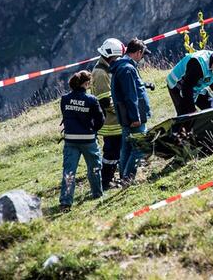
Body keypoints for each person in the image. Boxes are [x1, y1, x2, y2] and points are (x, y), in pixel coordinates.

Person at [59, 70, 105, 209]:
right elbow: (100, 119)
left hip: (70, 140)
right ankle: (97, 194)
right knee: (94, 167)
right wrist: (93, 130)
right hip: (88, 140)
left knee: (69, 171)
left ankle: (66, 202)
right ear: (85, 83)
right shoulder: (91, 100)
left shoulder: (65, 99)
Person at [110, 38, 151, 183]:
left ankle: (123, 177)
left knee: (126, 148)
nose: (142, 58)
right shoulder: (127, 68)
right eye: (143, 54)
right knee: (140, 147)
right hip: (133, 117)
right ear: (138, 52)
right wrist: (135, 117)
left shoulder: (122, 67)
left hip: (125, 116)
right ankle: (128, 178)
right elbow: (130, 95)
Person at [92, 38, 127, 190]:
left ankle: (112, 178)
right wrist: (123, 110)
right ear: (111, 56)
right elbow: (105, 101)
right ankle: (106, 181)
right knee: (110, 153)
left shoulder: (105, 68)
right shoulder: (100, 73)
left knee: (117, 151)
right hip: (110, 122)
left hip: (115, 121)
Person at [166, 50, 213, 116]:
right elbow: (187, 88)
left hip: (195, 85)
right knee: (187, 116)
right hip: (177, 84)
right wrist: (192, 109)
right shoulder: (197, 65)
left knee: (212, 109)